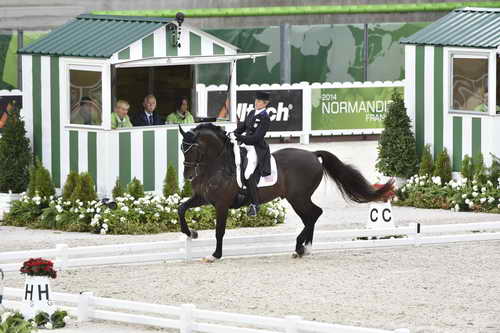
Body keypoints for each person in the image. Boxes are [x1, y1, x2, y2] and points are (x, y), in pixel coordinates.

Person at [233, 91, 272, 217]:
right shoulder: (251, 112)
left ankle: (255, 205)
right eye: (256, 100)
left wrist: (240, 138)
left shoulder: (265, 117)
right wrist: (233, 133)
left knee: (248, 173)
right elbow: (243, 127)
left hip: (256, 149)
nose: (256, 102)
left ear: (265, 103)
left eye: (259, 101)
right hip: (246, 146)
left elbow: (256, 138)